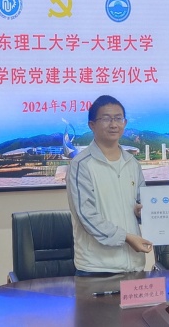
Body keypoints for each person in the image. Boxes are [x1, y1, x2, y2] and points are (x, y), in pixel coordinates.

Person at [66, 95, 153, 275]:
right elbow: (86, 215)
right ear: (92, 125)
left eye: (118, 118)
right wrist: (126, 237)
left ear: (125, 122)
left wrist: (160, 211)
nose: (114, 124)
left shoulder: (132, 163)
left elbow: (141, 203)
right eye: (106, 118)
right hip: (97, 267)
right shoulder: (81, 164)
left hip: (134, 263)